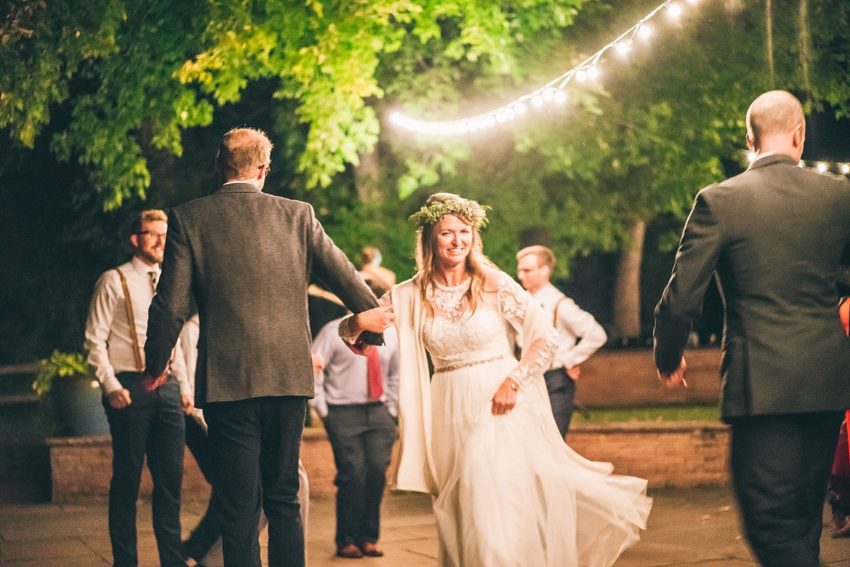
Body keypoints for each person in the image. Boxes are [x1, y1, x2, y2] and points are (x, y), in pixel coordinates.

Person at [343, 192, 651, 566]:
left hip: (498, 404)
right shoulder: (410, 293)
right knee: (459, 508)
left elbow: (545, 336)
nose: (457, 240)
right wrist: (356, 323)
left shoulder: (492, 282)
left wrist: (514, 381)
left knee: (487, 500)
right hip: (447, 406)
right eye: (447, 233)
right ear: (430, 238)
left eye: (465, 231)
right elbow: (353, 330)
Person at [144, 127, 380, 567]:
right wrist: (370, 329)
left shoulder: (189, 218)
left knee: (239, 503)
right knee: (283, 496)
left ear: (219, 166)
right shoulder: (297, 215)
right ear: (264, 169)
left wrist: (156, 363)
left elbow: (170, 304)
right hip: (288, 377)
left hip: (227, 382)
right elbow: (344, 274)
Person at [653, 90, 850, 567]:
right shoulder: (840, 196)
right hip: (828, 383)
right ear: (800, 134)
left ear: (749, 139)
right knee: (803, 523)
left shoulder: (720, 201)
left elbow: (682, 296)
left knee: (770, 524)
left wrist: (668, 354)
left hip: (760, 386)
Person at [84, 209, 193, 567]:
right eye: (153, 234)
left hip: (169, 388)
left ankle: (172, 561)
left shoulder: (172, 280)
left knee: (170, 482)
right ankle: (125, 561)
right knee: (127, 480)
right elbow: (94, 339)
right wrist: (110, 385)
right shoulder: (113, 280)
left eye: (165, 234)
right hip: (130, 387)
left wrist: (184, 386)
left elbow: (176, 340)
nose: (162, 241)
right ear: (136, 239)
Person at [179, 315, 311, 567]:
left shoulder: (244, 326)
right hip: (210, 421)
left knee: (245, 495)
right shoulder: (192, 331)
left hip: (248, 417)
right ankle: (204, 553)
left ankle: (203, 553)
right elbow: (193, 382)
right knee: (242, 495)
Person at [310, 281, 399, 559]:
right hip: (343, 413)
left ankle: (368, 537)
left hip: (379, 413)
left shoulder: (392, 335)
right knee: (353, 473)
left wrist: (391, 410)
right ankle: (347, 539)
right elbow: (314, 368)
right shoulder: (333, 331)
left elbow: (396, 374)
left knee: (376, 472)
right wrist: (324, 410)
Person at [516, 245, 607, 438]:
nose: (521, 275)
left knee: (553, 439)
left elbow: (596, 334)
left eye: (527, 270)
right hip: (528, 381)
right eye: (520, 270)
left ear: (545, 271)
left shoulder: (560, 303)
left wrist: (570, 360)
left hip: (555, 381)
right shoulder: (522, 302)